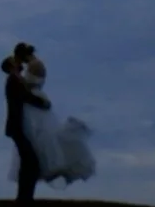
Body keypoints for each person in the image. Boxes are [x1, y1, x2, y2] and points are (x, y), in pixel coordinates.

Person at [6, 42, 96, 189]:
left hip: (34, 103)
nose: (20, 62)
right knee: (34, 145)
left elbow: (27, 87)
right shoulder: (34, 65)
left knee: (38, 140)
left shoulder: (35, 65)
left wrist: (19, 79)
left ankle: (26, 190)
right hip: (32, 102)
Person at [3, 55, 50, 206]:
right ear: (11, 65)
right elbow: (25, 96)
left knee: (29, 162)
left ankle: (25, 198)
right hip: (16, 126)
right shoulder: (13, 80)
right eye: (15, 61)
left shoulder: (17, 79)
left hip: (17, 126)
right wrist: (42, 102)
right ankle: (24, 199)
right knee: (31, 161)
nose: (18, 61)